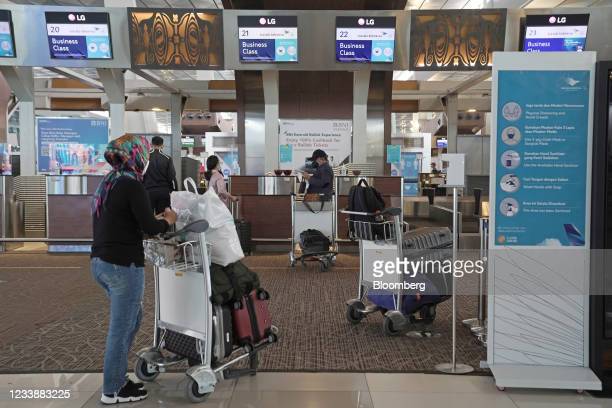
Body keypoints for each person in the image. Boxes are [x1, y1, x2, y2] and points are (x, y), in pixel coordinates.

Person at [91, 135, 177, 405]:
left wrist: (153, 220)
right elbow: (150, 229)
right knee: (122, 326)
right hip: (123, 265)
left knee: (133, 318)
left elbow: (129, 221)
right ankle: (113, 388)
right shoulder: (132, 184)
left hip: (101, 262)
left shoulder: (110, 182)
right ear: (137, 155)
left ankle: (117, 378)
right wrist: (168, 220)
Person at [143, 136, 177, 214]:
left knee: (148, 216)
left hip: (148, 191)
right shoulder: (168, 158)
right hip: (163, 192)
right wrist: (172, 190)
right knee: (162, 216)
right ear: (162, 146)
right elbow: (171, 176)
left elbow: (141, 174)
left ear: (151, 144)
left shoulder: (145, 157)